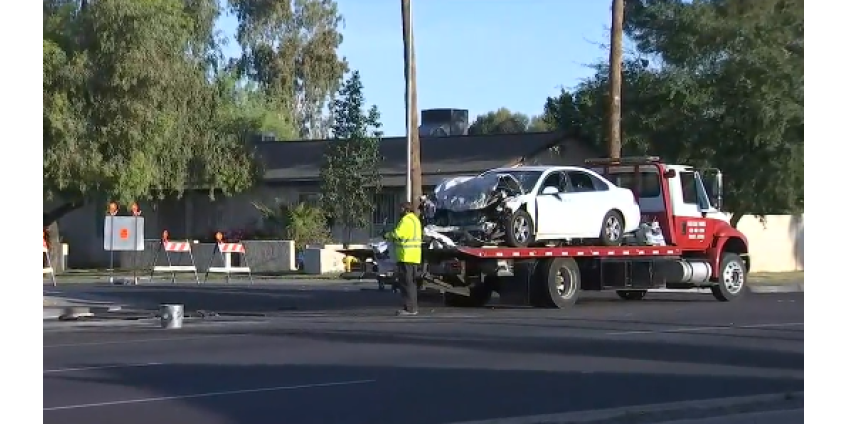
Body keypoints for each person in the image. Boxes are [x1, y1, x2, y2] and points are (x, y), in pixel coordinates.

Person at [384, 201, 423, 316]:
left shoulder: (406, 220)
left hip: (406, 255)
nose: (399, 211)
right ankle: (413, 307)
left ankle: (409, 309)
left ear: (406, 210)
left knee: (406, 283)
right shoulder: (415, 220)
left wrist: (387, 235)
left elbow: (398, 234)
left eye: (400, 209)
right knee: (411, 283)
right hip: (414, 256)